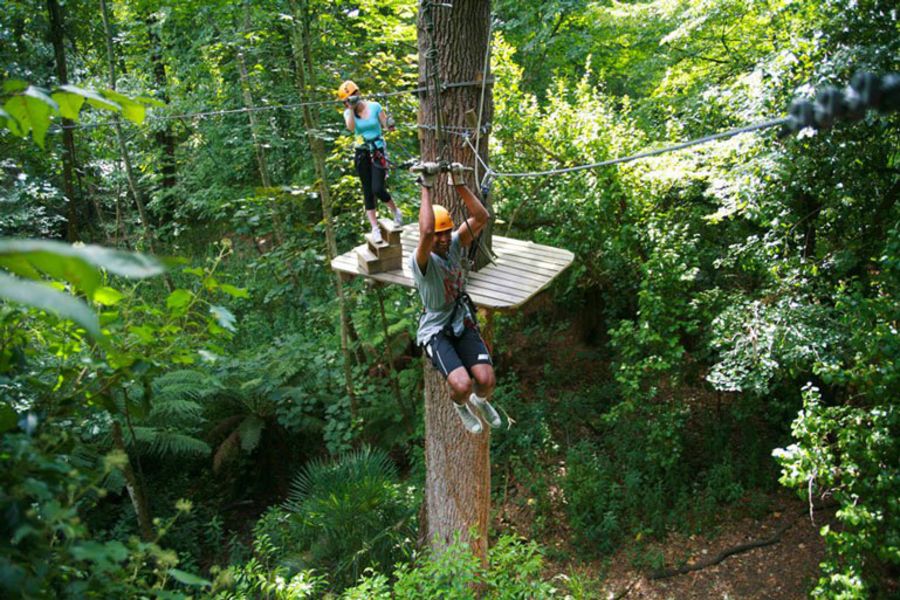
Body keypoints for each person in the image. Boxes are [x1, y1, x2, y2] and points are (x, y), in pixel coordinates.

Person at [409, 161, 502, 434]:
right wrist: (426, 186)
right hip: (436, 329)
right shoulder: (422, 262)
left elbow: (481, 217)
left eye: (446, 232)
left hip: (461, 318)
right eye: (438, 234)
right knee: (461, 385)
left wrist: (459, 183)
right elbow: (426, 232)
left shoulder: (454, 244)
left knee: (486, 380)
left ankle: (480, 401)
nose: (442, 238)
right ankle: (461, 406)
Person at [337, 80, 403, 244]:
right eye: (347, 100)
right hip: (361, 153)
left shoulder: (374, 106)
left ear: (358, 94)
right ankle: (375, 228)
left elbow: (385, 125)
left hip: (377, 151)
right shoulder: (348, 113)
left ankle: (395, 211)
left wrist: (390, 125)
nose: (350, 101)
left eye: (352, 97)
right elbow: (351, 128)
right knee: (368, 191)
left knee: (378, 188)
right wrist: (351, 110)